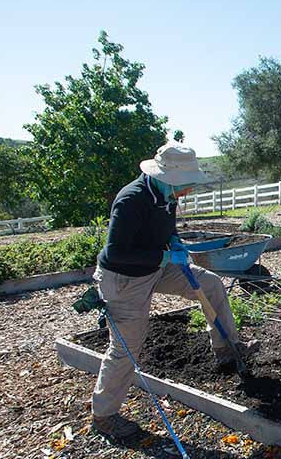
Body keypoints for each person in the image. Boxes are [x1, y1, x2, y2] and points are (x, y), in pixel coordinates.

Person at [91, 142, 258, 440]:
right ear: (167, 176)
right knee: (126, 347)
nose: (189, 189)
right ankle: (104, 416)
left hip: (156, 268)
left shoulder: (166, 195)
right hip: (124, 279)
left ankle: (225, 349)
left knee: (211, 284)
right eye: (186, 183)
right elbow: (116, 253)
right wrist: (166, 257)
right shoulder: (131, 200)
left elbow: (166, 228)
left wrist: (174, 242)